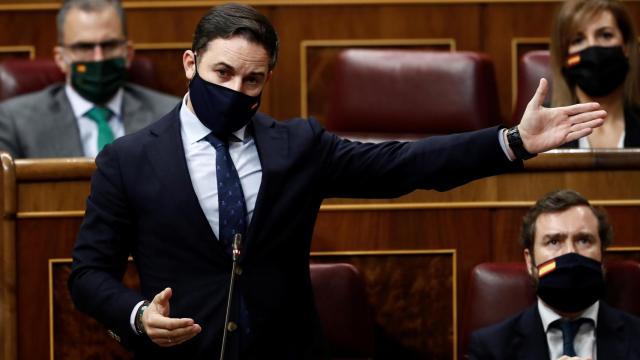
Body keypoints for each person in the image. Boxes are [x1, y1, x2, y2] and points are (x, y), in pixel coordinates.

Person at [68, 3, 606, 359]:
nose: (237, 88)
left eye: (253, 79)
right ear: (190, 64)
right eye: (223, 74)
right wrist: (138, 316)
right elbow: (88, 274)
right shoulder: (128, 159)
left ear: (268, 79)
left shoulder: (297, 146)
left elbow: (404, 165)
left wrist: (511, 141)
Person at [468, 189, 640, 360]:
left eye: (584, 240)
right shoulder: (490, 347)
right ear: (530, 261)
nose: (571, 253)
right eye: (554, 241)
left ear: (602, 255)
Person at [0, 0, 178, 158]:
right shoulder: (16, 123)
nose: (98, 58)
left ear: (128, 53)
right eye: (84, 47)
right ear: (61, 59)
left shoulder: (170, 116)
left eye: (109, 45)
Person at [550, 0, 640, 148]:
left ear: (626, 48)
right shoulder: (546, 129)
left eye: (605, 35)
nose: (592, 47)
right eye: (578, 40)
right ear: (565, 58)